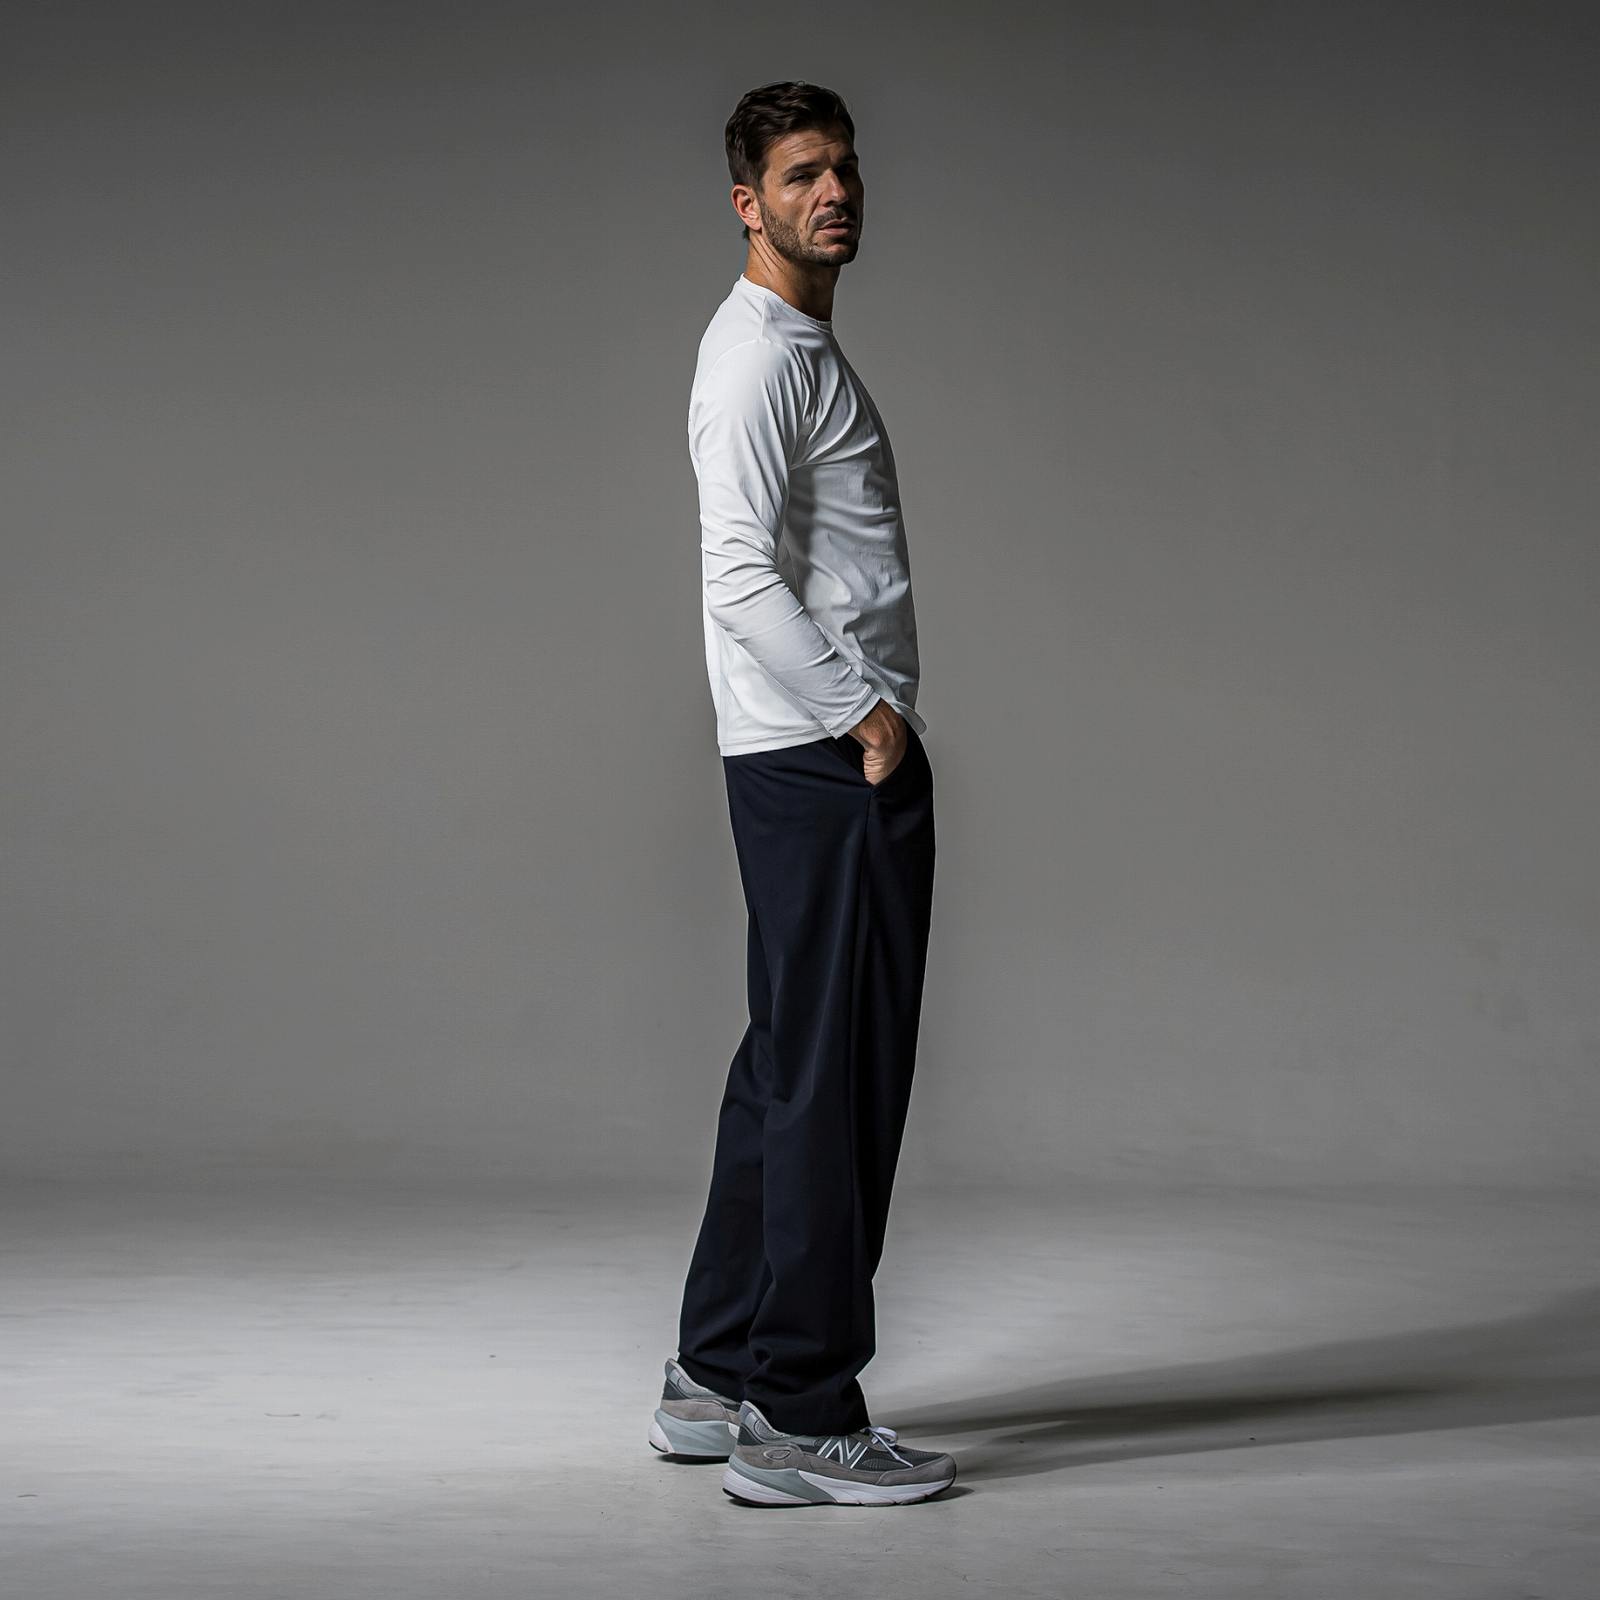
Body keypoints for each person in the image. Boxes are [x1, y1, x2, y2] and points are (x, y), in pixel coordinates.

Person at [646, 80, 955, 1508]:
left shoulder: (789, 346)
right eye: (800, 175)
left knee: (790, 1068)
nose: (834, 193)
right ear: (747, 204)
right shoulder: (758, 358)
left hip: (802, 764)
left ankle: (715, 1377)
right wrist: (866, 719)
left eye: (844, 168)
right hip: (824, 765)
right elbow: (736, 576)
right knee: (835, 1086)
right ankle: (802, 1413)